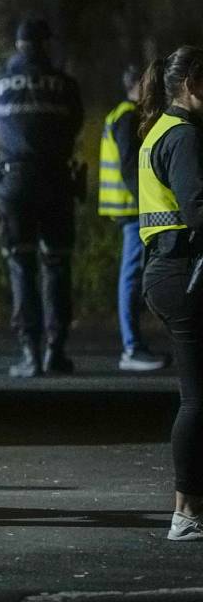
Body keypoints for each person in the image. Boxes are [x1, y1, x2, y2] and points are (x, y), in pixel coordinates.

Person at [0, 18, 83, 378]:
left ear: (17, 46)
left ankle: (30, 352)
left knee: (21, 264)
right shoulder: (65, 85)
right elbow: (75, 124)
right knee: (56, 264)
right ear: (46, 45)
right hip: (56, 180)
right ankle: (56, 350)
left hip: (14, 183)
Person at [135, 46, 203, 541]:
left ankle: (189, 509)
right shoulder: (183, 136)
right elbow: (197, 209)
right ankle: (186, 511)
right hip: (184, 272)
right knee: (197, 399)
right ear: (192, 84)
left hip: (165, 270)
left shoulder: (158, 130)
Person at [100, 65, 167, 371]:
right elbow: (131, 168)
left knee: (133, 276)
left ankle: (134, 345)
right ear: (138, 87)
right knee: (131, 277)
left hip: (128, 209)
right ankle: (131, 348)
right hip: (133, 211)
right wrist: (148, 206)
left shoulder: (122, 115)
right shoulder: (128, 118)